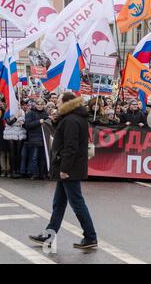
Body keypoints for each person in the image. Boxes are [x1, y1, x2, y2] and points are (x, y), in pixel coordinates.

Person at [29, 92, 97, 250]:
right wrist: (55, 121)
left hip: (69, 168)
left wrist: (65, 169)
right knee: (58, 204)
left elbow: (70, 147)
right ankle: (49, 235)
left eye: (59, 101)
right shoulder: (72, 118)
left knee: (77, 203)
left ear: (67, 103)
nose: (56, 103)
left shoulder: (72, 120)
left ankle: (90, 236)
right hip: (68, 167)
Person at [24, 98, 49, 180]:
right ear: (35, 105)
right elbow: (27, 125)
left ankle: (43, 174)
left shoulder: (45, 114)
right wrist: (38, 122)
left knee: (43, 157)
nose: (40, 106)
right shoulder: (30, 113)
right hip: (34, 138)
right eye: (38, 104)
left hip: (44, 138)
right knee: (34, 157)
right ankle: (33, 173)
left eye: (41, 104)